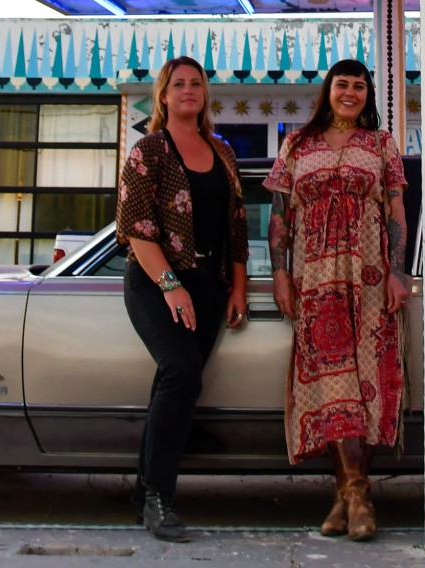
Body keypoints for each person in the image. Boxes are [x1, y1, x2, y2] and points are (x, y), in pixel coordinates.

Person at [263, 59, 409, 541]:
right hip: (315, 278)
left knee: (367, 384)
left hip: (369, 279)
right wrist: (280, 276)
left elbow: (395, 209)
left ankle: (348, 496)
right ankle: (358, 497)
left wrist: (397, 271)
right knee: (329, 388)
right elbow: (279, 215)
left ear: (368, 94)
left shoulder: (381, 144)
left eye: (360, 86)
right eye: (342, 84)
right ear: (328, 90)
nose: (350, 93)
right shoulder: (296, 145)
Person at [116, 56, 248, 542]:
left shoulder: (224, 151)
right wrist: (172, 287)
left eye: (196, 83)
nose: (189, 90)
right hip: (154, 282)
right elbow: (134, 226)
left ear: (205, 94)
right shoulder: (148, 150)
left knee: (174, 385)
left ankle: (141, 493)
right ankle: (158, 498)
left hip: (210, 284)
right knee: (180, 372)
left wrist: (237, 287)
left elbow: (236, 223)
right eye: (179, 84)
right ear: (164, 96)